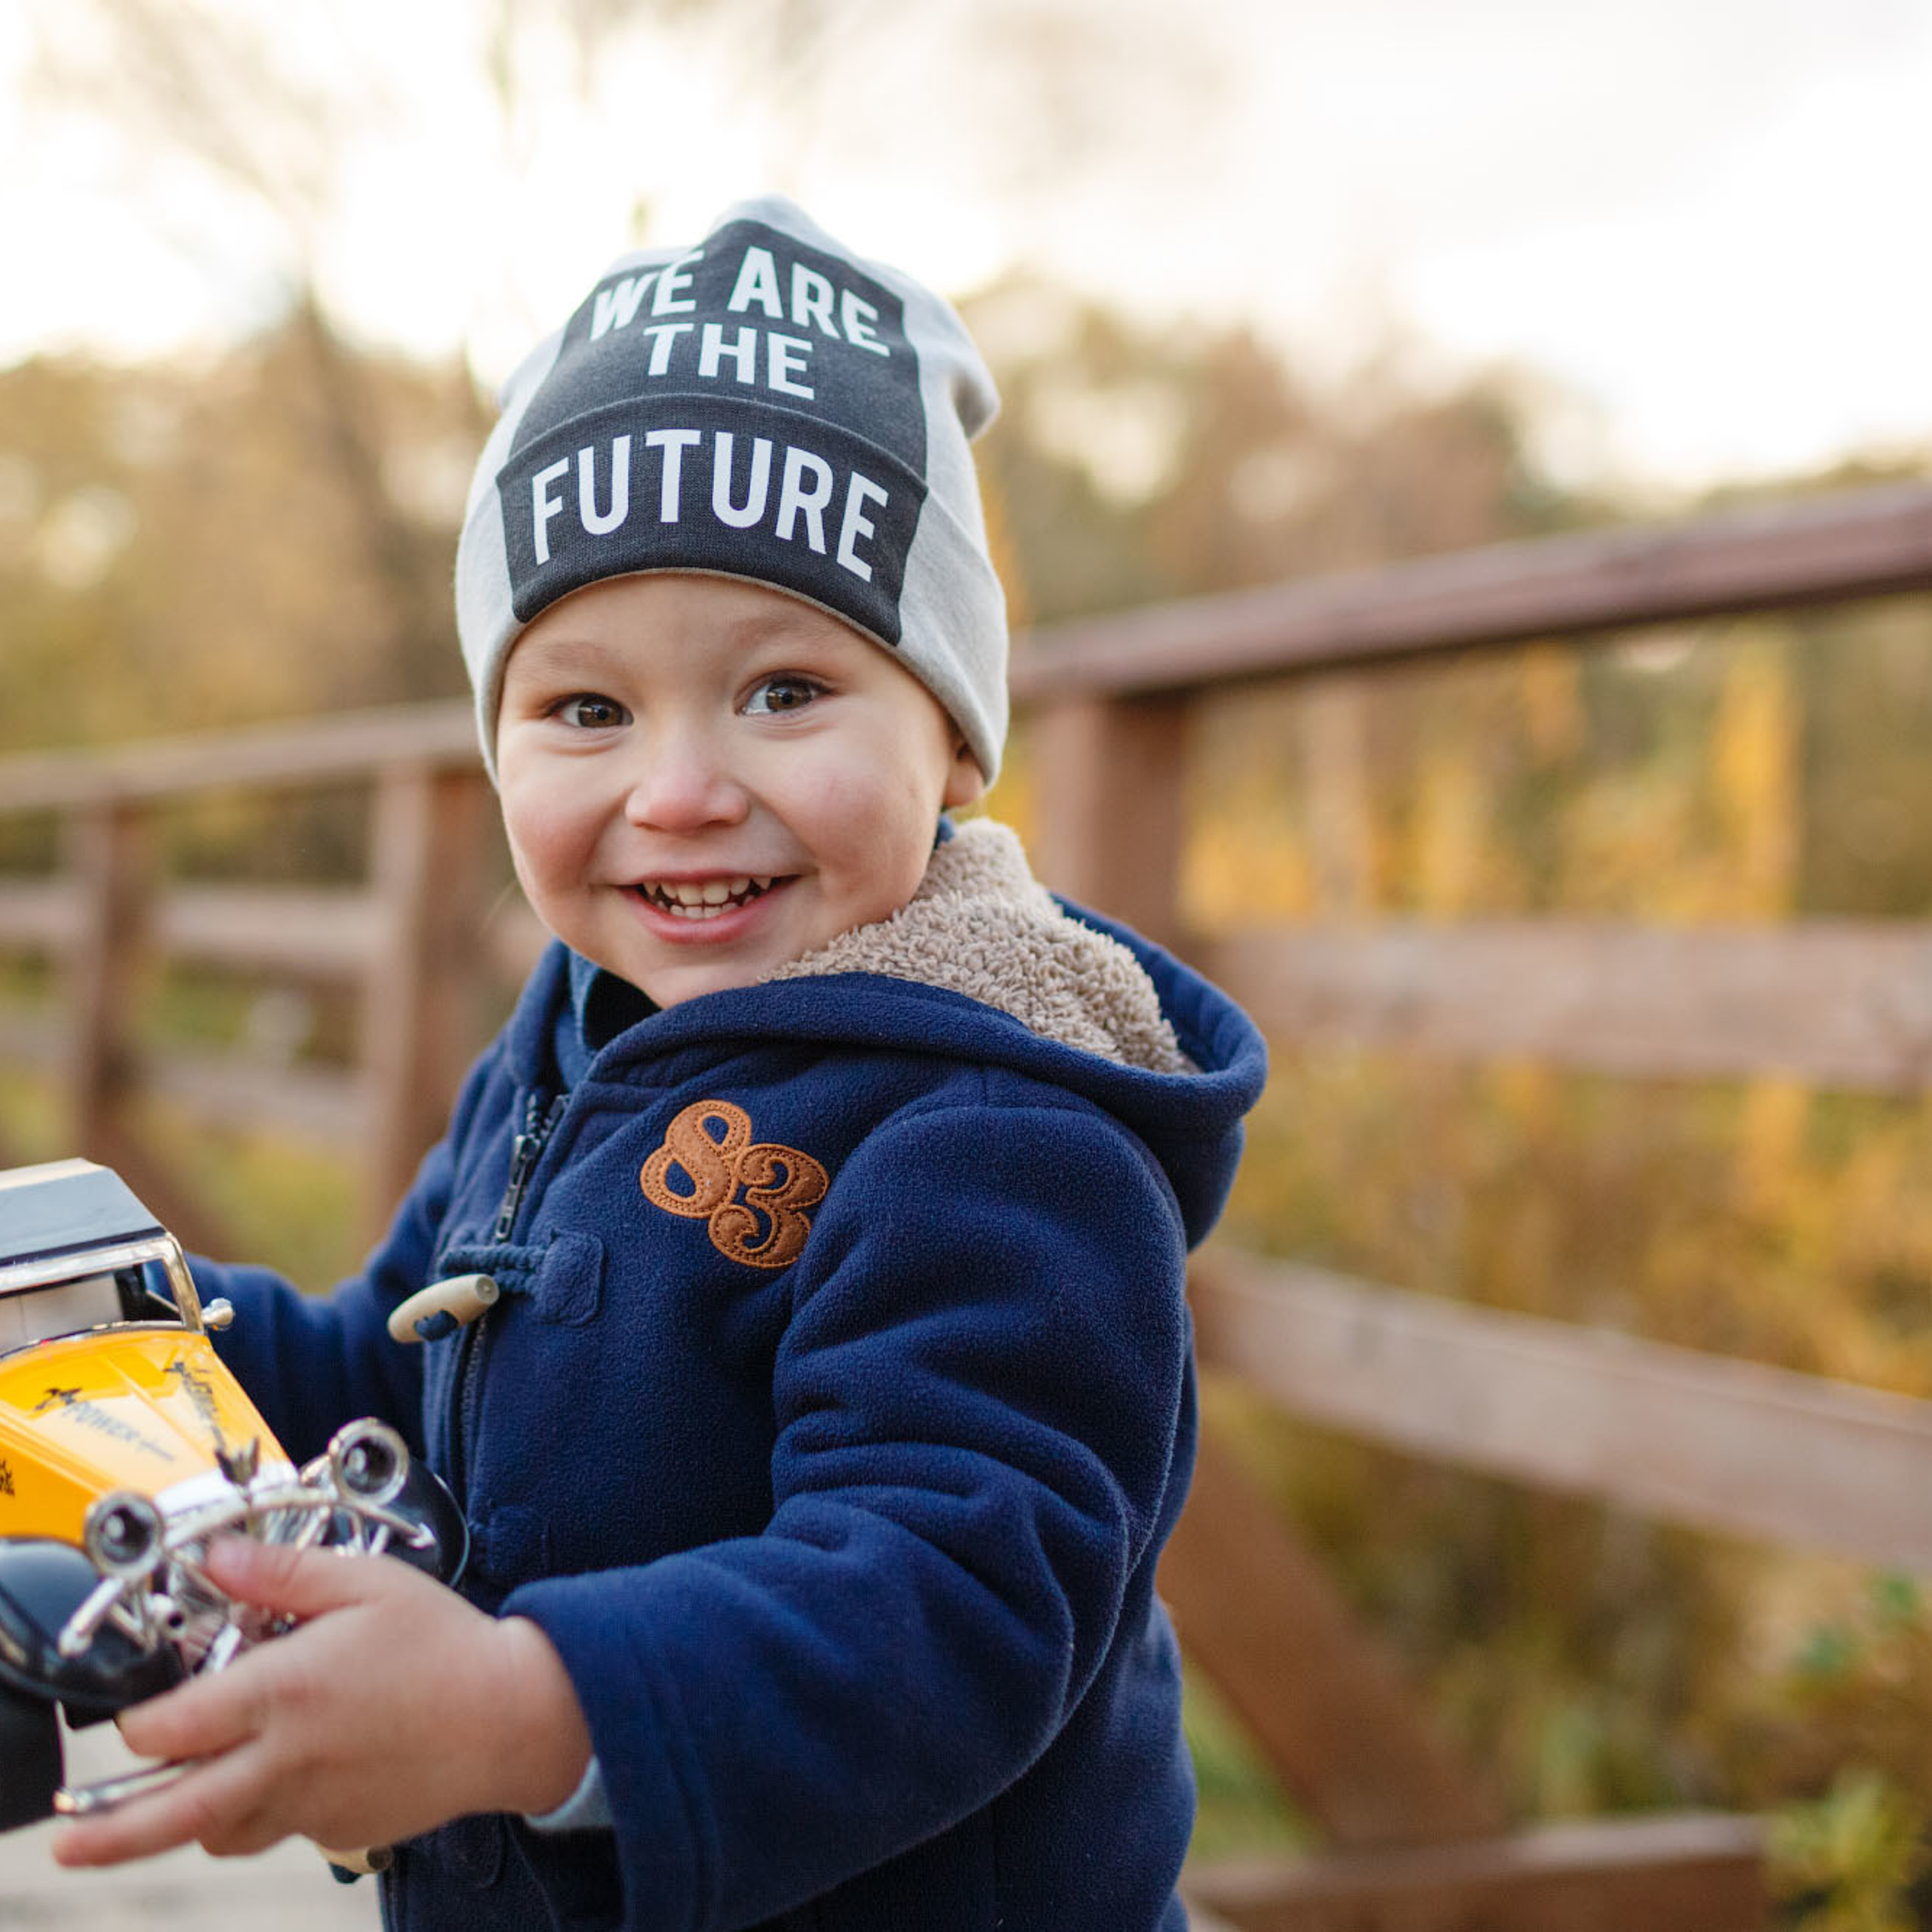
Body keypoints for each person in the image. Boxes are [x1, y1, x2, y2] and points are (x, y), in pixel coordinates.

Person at [54, 195, 1267, 1931]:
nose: (680, 788)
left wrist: (531, 1708)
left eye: (784, 689)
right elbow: (397, 1378)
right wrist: (125, 1346)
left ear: (952, 745)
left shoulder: (998, 1134)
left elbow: (949, 1599)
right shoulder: (575, 1038)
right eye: (586, 709)